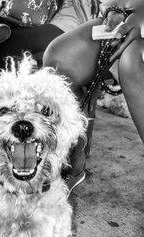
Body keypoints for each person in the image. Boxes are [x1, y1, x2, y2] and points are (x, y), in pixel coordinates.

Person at [42, 0, 144, 187]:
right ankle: (73, 158)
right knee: (59, 57)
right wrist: (116, 10)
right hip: (128, 16)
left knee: (132, 61)